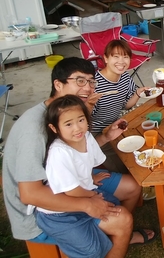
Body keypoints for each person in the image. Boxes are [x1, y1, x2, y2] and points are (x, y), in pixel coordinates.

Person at [2, 57, 154, 256]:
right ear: (58, 84)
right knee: (118, 220)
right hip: (39, 211)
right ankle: (117, 230)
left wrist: (105, 137)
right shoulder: (34, 128)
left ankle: (118, 234)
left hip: (71, 179)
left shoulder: (68, 112)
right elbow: (30, 194)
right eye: (80, 81)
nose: (88, 88)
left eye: (91, 81)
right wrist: (87, 204)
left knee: (132, 188)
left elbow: (79, 151)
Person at [35, 95, 124, 258]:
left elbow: (86, 163)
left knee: (115, 206)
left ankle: (104, 236)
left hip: (81, 195)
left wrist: (91, 177)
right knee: (92, 250)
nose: (77, 128)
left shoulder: (87, 137)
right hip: (58, 213)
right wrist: (94, 196)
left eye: (81, 120)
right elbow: (71, 191)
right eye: (68, 124)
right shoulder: (59, 152)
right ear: (54, 128)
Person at [91, 39, 150, 173]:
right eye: (115, 56)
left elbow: (126, 105)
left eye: (125, 57)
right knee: (124, 166)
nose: (121, 61)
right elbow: (85, 115)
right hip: (97, 134)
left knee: (141, 145)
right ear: (105, 58)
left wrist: (137, 93)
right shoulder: (94, 83)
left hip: (116, 126)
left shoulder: (125, 78)